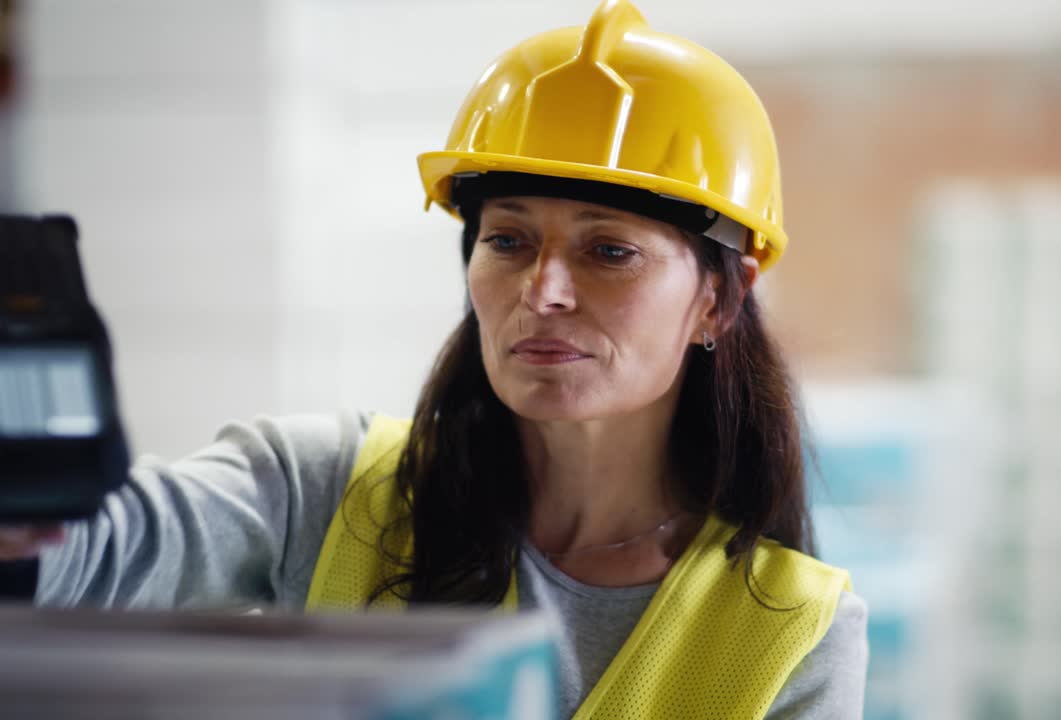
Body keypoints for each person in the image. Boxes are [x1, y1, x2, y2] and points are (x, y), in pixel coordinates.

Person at [1, 0, 868, 716]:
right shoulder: (322, 489)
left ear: (719, 297)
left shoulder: (793, 631)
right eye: (508, 240)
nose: (544, 291)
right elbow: (101, 549)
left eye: (610, 251)